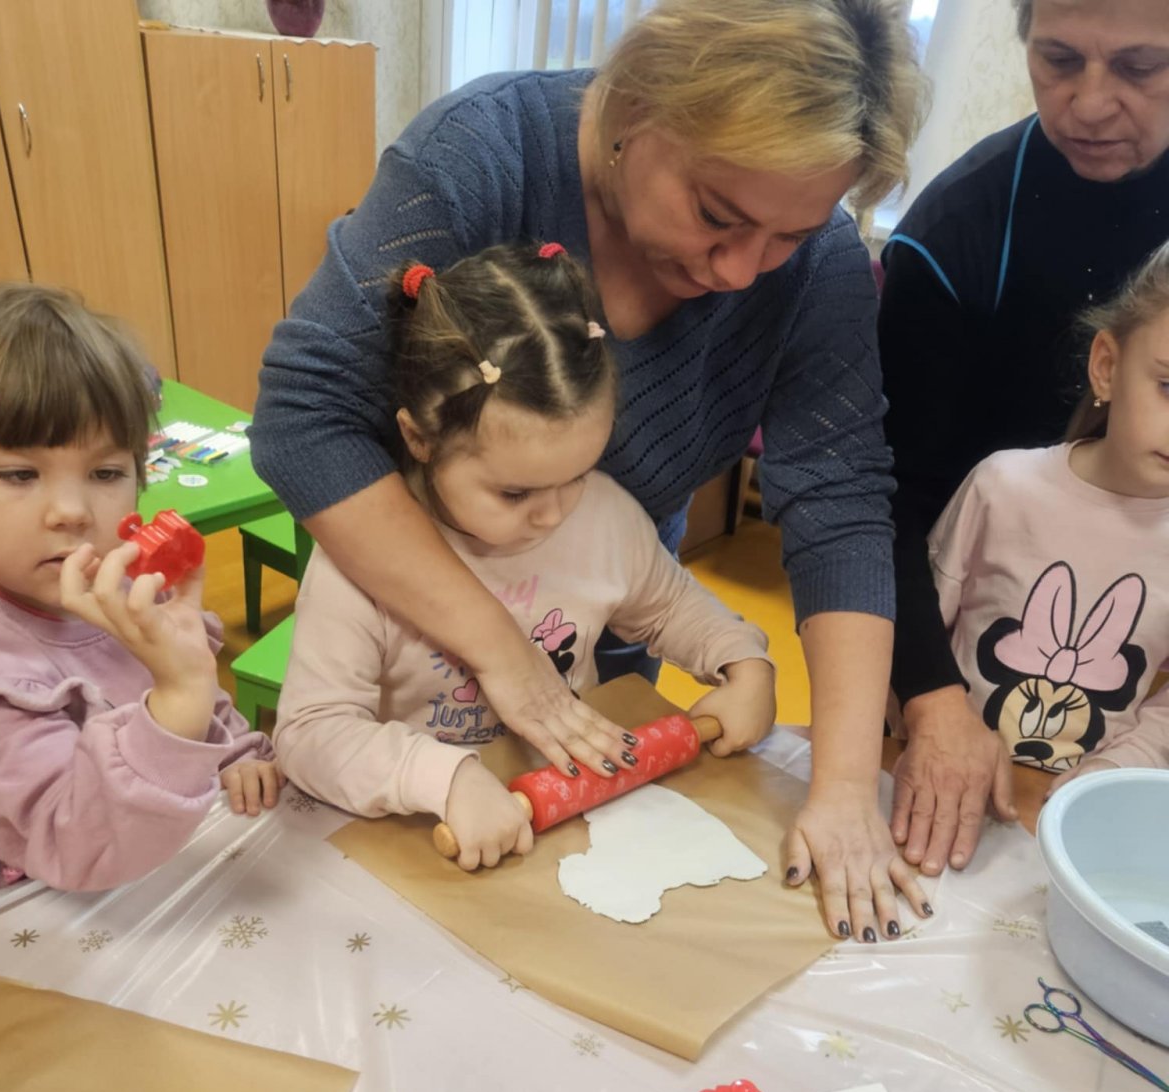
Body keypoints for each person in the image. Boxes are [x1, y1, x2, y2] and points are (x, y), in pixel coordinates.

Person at [253, 0, 931, 941]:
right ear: (636, 103)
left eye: (790, 235)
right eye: (717, 215)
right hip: (412, 650)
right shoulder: (479, 154)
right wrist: (504, 657)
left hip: (580, 641)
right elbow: (304, 419)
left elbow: (840, 503)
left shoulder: (604, 519)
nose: (744, 272)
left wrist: (846, 785)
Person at [274, 242, 778, 869]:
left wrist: (743, 661)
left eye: (579, 475)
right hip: (419, 835)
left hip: (564, 818)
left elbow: (670, 606)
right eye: (515, 493)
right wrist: (446, 779)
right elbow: (310, 734)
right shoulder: (361, 561)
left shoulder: (604, 516)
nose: (553, 514)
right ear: (419, 438)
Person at [879, 0, 1169, 873]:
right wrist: (928, 699)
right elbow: (886, 505)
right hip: (965, 692)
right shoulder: (951, 235)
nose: (1090, 104)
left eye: (1139, 67)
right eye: (1058, 60)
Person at [0, 283, 279, 903]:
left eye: (106, 473)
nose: (72, 511)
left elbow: (206, 695)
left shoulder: (129, 587)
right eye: (20, 474)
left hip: (148, 864)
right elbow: (75, 845)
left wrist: (235, 749)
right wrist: (179, 697)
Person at [926, 241, 1169, 793]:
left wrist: (1114, 770)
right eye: (1168, 386)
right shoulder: (1001, 487)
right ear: (1107, 367)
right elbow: (914, 636)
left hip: (1081, 815)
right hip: (940, 782)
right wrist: (927, 731)